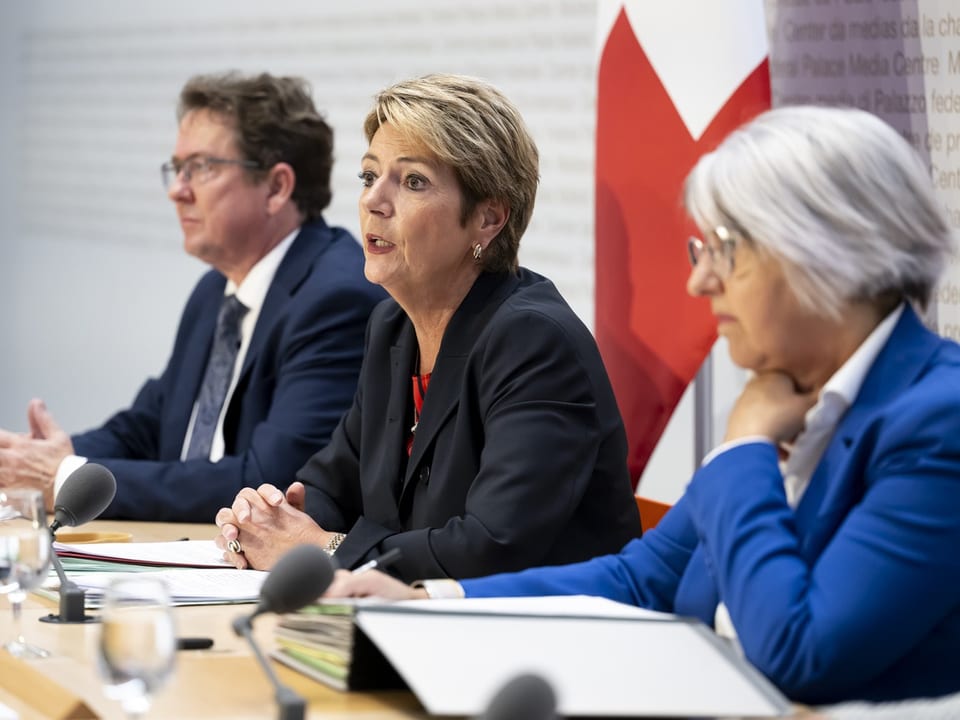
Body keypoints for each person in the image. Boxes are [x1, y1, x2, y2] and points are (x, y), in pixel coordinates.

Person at [323, 105, 960, 705]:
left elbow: (803, 651)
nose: (699, 281)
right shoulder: (787, 396)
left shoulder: (937, 419)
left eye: (725, 250)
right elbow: (639, 580)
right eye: (700, 250)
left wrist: (744, 449)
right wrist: (434, 600)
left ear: (830, 256)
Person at [214, 74, 642, 581]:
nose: (375, 201)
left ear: (488, 219)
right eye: (369, 176)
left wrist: (323, 548)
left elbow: (492, 546)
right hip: (424, 626)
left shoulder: (533, 341)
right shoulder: (392, 326)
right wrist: (270, 521)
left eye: (413, 181)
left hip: (544, 638)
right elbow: (332, 484)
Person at [0, 72, 386, 521]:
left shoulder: (335, 299)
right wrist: (33, 461)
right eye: (177, 168)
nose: (177, 190)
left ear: (277, 187)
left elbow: (272, 481)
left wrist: (63, 476)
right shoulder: (216, 290)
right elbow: (149, 426)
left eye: (201, 168)